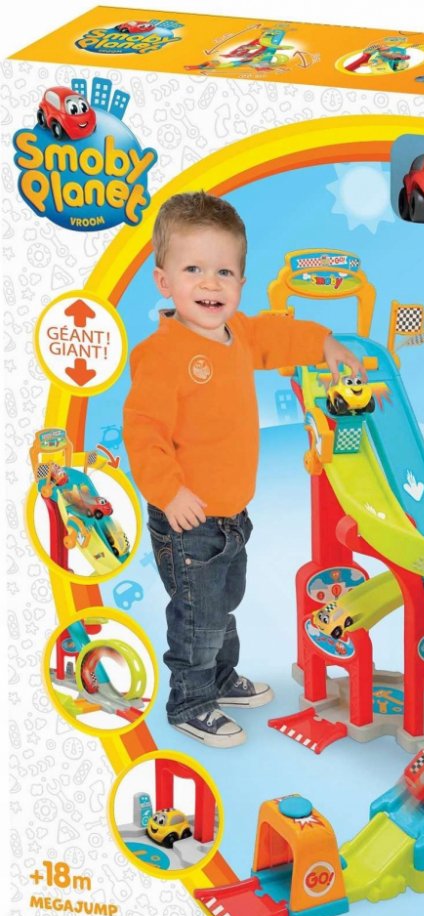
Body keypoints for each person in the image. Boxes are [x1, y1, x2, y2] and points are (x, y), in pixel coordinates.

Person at [123, 191, 363, 748]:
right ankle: (190, 701)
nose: (210, 283)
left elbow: (279, 338)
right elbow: (143, 431)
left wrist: (323, 343)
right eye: (193, 270)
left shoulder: (240, 334)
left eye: (224, 272)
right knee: (198, 615)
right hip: (188, 518)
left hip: (233, 513)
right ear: (164, 281)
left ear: (240, 283)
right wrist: (169, 492)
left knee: (223, 604)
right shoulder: (162, 354)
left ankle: (219, 677)